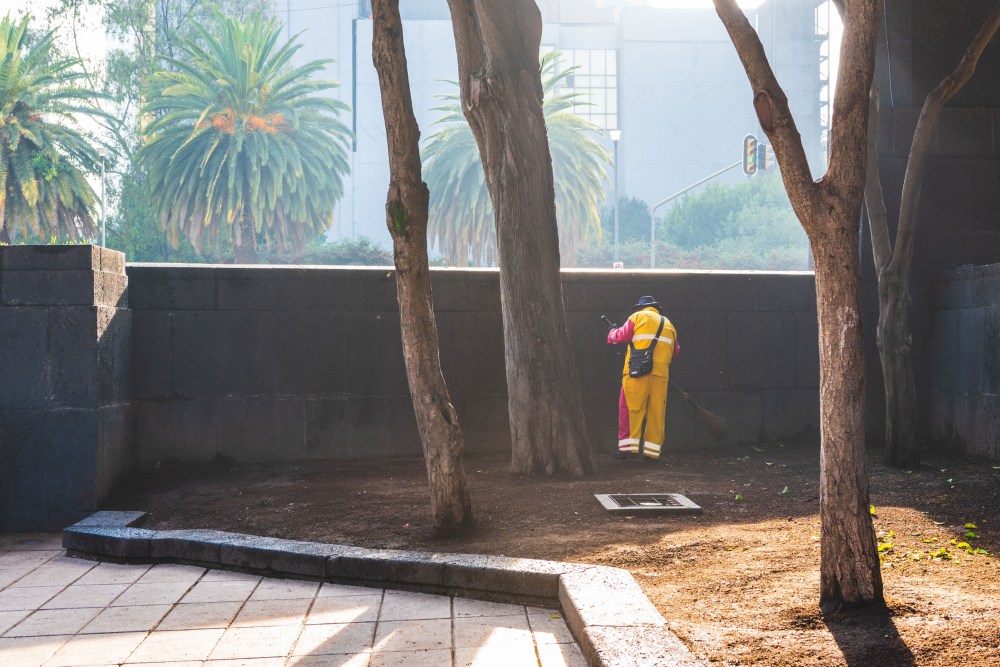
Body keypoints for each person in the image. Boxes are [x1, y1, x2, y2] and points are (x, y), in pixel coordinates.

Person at [607, 296, 679, 461]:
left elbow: (622, 336)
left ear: (641, 308)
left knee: (630, 409)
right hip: (660, 375)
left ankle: (628, 449)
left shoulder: (637, 316)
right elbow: (675, 352)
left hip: (637, 372)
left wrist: (612, 332)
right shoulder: (669, 324)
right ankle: (652, 452)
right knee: (656, 412)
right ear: (657, 308)